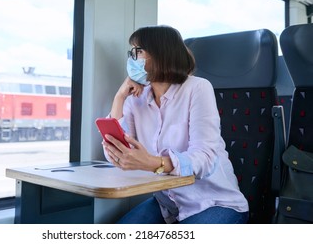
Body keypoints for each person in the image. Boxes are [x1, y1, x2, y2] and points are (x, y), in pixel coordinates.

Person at [102, 25, 249, 224]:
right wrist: (119, 97)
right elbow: (118, 153)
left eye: (138, 52)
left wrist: (153, 163)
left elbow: (205, 158)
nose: (131, 59)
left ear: (159, 54)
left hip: (214, 201)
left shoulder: (198, 88)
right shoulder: (135, 98)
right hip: (168, 206)